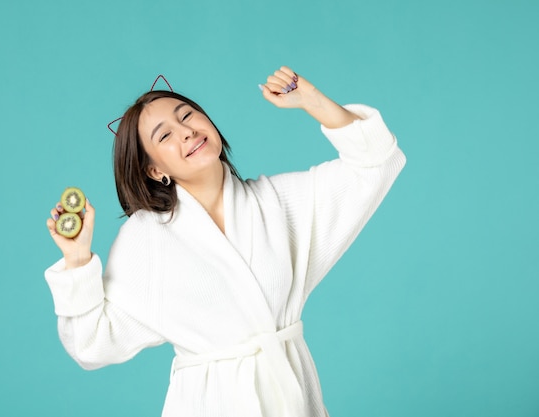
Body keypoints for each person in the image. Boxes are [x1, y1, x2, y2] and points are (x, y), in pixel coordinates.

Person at [45, 66, 406, 417]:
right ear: (156, 170)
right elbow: (91, 344)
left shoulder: (281, 203)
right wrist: (77, 261)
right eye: (164, 136)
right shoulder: (146, 239)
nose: (185, 131)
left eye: (187, 115)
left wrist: (313, 101)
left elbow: (377, 161)